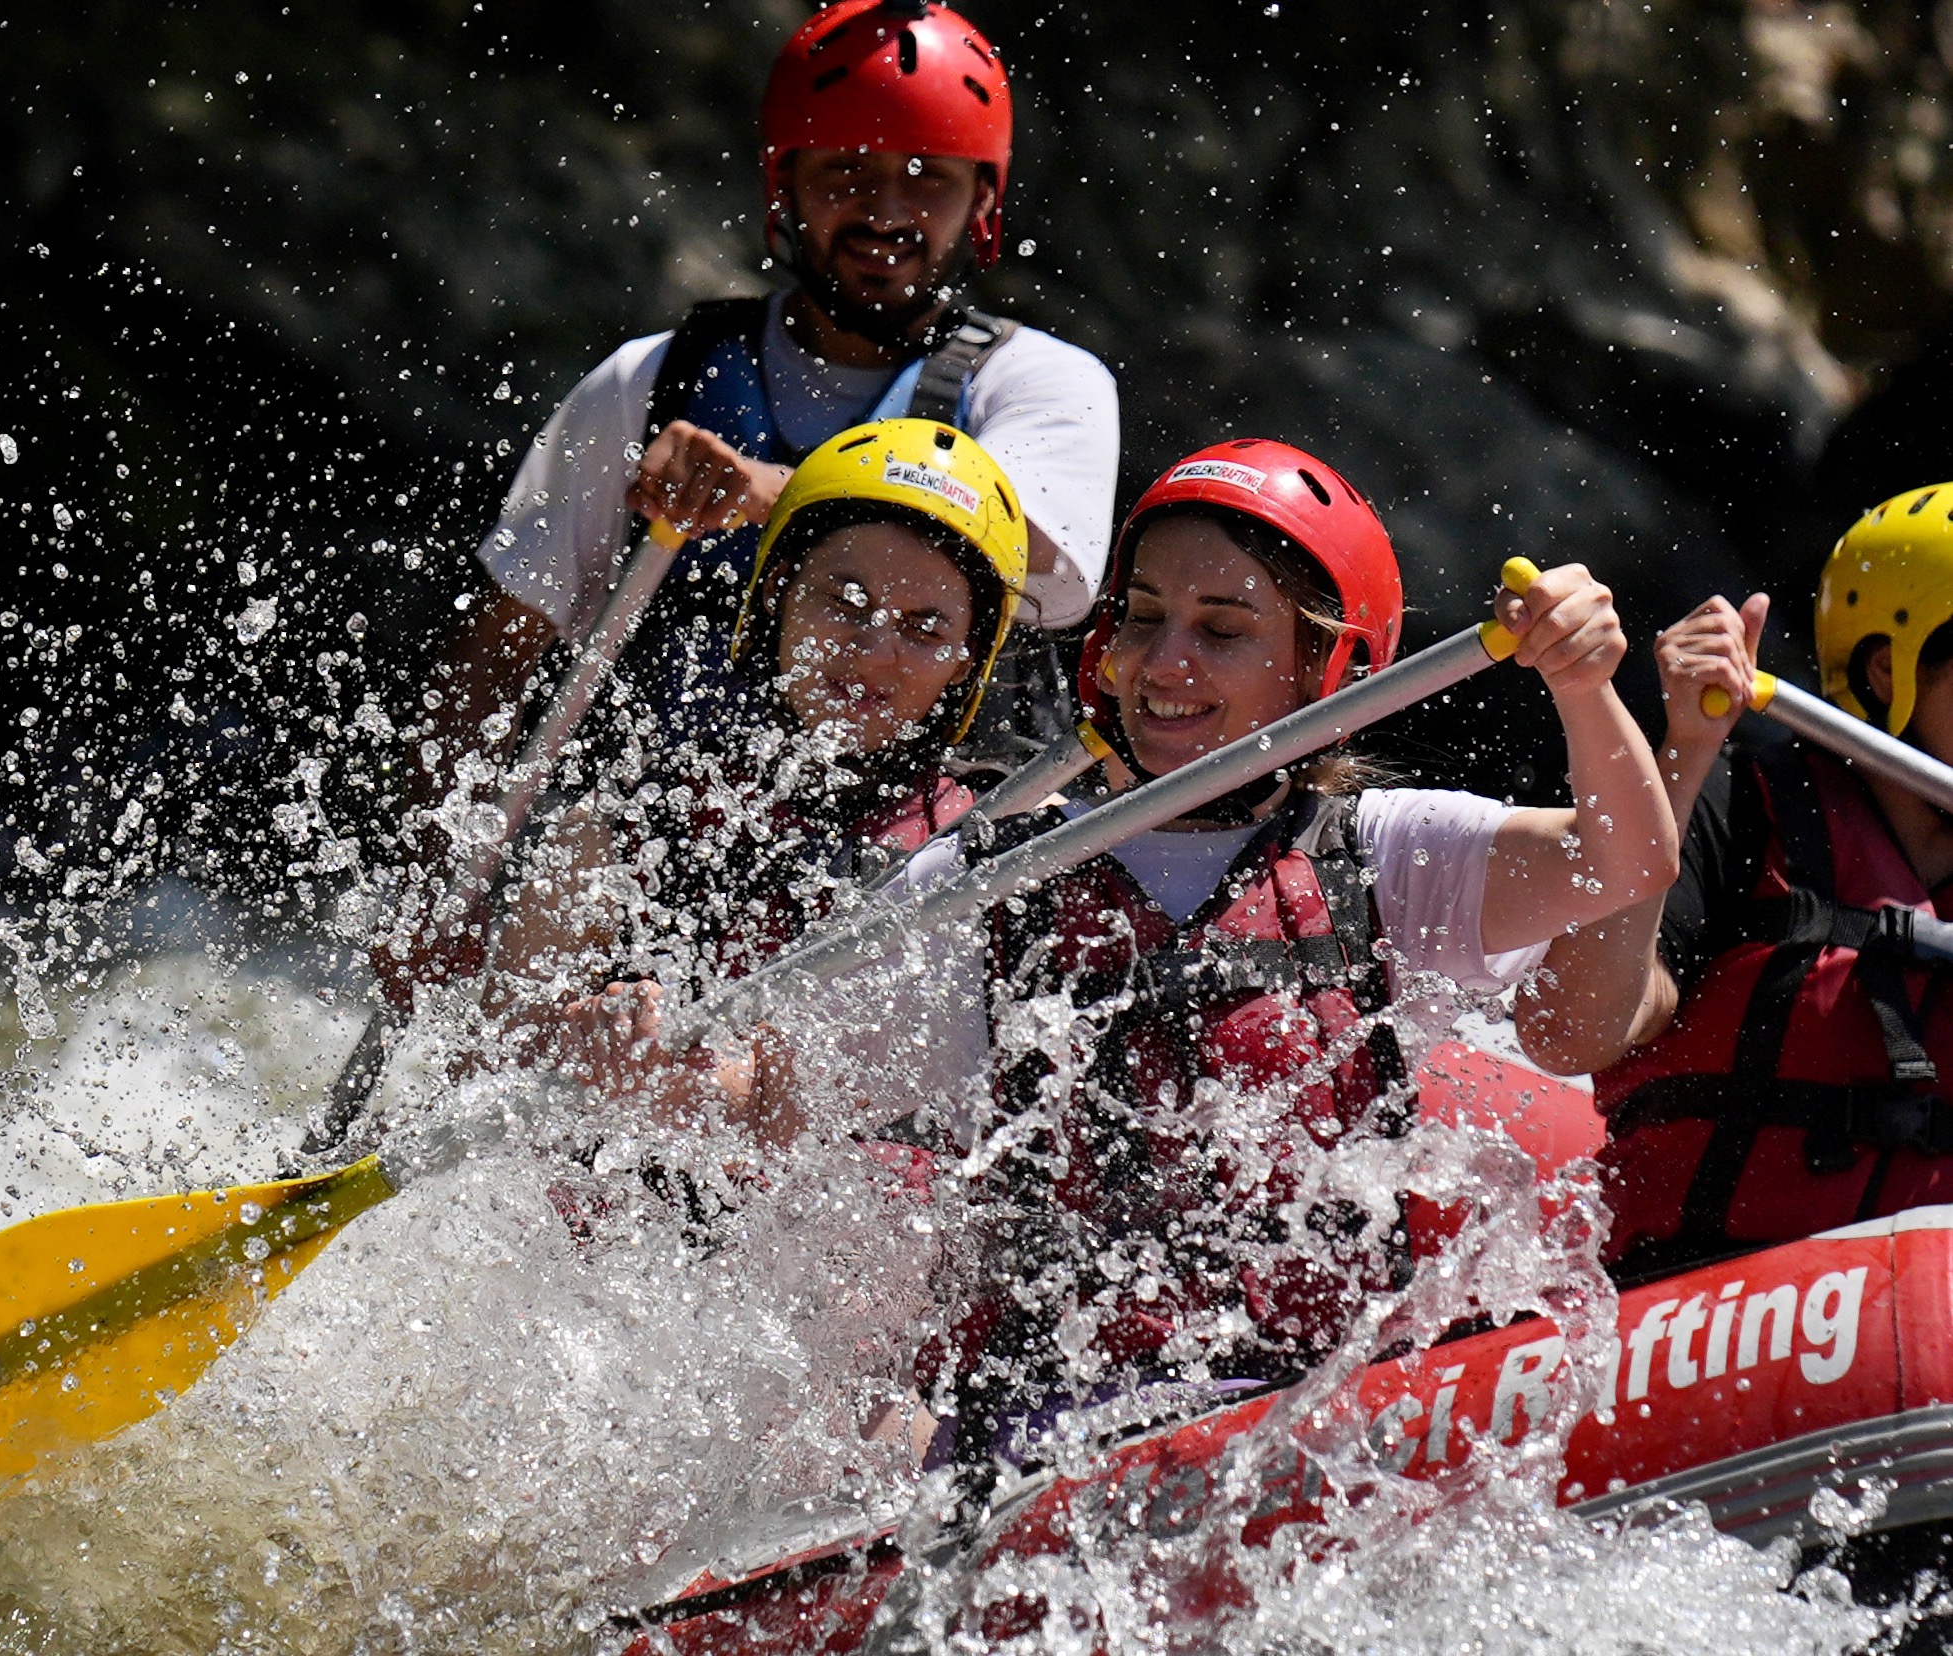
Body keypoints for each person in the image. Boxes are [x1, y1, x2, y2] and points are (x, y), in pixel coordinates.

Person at [565, 440, 1681, 1414]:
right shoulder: (984, 880)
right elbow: (785, 1101)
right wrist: (657, 1075)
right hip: (1056, 1422)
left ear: (1322, 673)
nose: (1166, 662)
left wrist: (1582, 686)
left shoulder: (1387, 853)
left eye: (1223, 631)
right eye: (1145, 619)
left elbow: (1627, 857)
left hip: (1317, 1411)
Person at [433, 0, 1118, 782]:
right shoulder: (649, 380)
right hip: (662, 840)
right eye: (847, 170)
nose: (887, 212)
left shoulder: (1044, 384)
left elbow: (1055, 579)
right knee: (582, 838)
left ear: (983, 204)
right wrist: (435, 879)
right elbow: (490, 663)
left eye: (928, 178)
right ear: (783, 185)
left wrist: (768, 493)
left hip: (917, 859)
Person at [481, 417, 1027, 1141]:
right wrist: (580, 1051)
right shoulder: (630, 818)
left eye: (924, 629)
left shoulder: (1001, 848)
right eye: (845, 600)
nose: (872, 651)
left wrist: (698, 1096)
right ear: (776, 593)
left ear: (966, 664)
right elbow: (487, 1068)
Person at [1523, 485, 1953, 1276]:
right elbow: (1570, 1032)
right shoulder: (1746, 809)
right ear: (1891, 671)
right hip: (1701, 1313)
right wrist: (1685, 748)